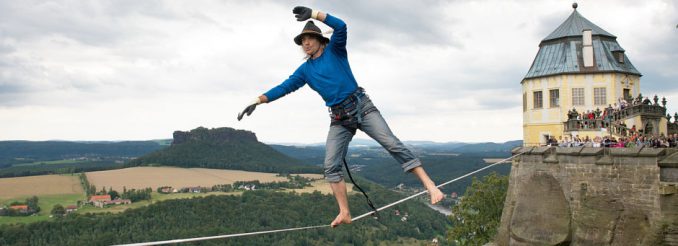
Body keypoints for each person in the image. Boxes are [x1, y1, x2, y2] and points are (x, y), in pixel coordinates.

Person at [237, 6, 444, 228]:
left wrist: (314, 14)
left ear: (319, 40)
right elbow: (284, 87)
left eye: (309, 38)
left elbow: (341, 26)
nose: (306, 43)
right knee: (330, 166)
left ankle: (430, 185)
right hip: (339, 119)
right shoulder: (304, 71)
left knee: (391, 143)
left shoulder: (335, 50)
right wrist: (257, 100)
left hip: (361, 107)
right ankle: (344, 212)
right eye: (302, 40)